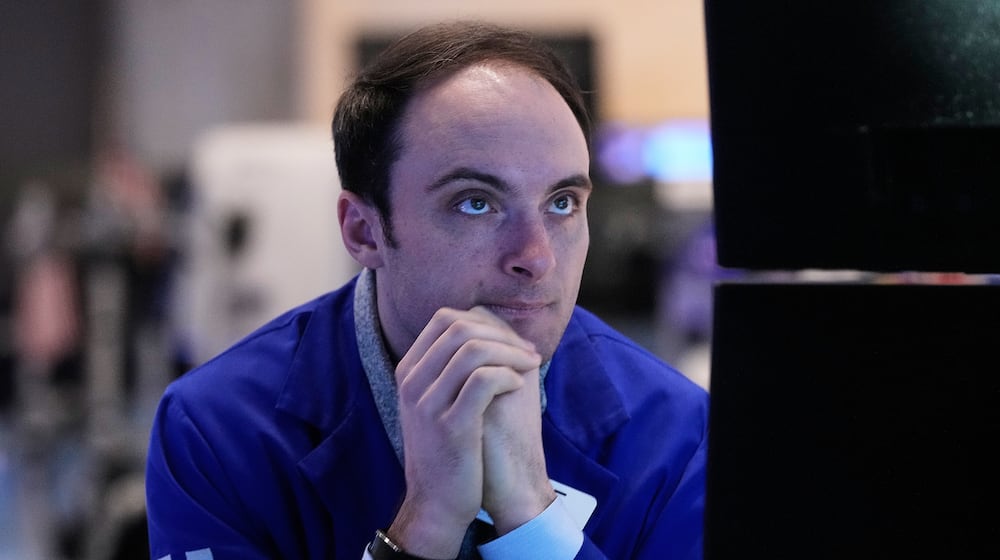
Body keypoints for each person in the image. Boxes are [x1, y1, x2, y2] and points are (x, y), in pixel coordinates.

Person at [145, 20, 708, 560]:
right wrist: (425, 526)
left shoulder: (674, 434)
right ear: (363, 231)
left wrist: (533, 523)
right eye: (476, 203)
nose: (535, 257)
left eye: (562, 203)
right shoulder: (216, 431)